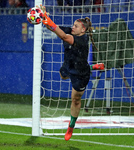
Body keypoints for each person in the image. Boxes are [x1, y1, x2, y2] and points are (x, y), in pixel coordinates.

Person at [40, 5, 102, 141]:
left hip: (80, 73)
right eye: (73, 25)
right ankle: (91, 67)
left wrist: (47, 19)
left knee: (75, 99)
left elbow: (62, 36)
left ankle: (71, 126)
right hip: (68, 66)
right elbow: (52, 28)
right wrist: (44, 18)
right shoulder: (72, 31)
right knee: (62, 76)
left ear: (83, 30)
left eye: (76, 26)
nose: (72, 27)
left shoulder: (82, 40)